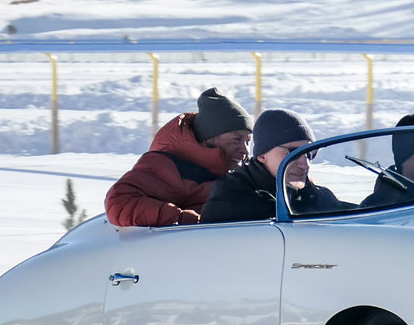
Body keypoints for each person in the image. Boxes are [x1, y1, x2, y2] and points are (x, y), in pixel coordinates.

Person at [104, 87, 253, 227]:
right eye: (236, 140)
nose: (245, 151)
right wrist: (184, 221)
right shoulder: (170, 166)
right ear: (209, 138)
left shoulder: (232, 172)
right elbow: (119, 202)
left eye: (248, 141)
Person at [202, 109, 350, 223]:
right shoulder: (231, 201)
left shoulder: (311, 194)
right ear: (262, 156)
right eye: (292, 153)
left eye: (309, 153)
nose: (305, 164)